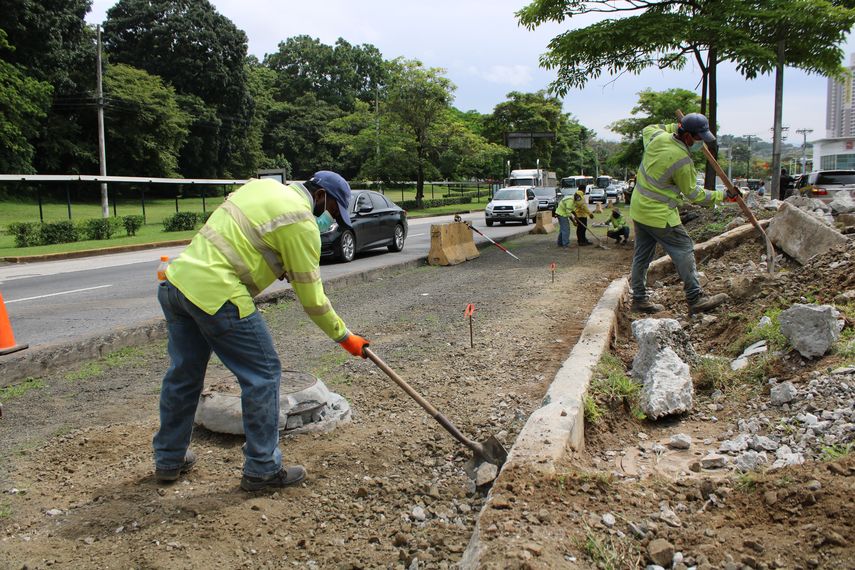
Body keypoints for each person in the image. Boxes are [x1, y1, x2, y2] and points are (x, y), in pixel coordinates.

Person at [154, 171, 369, 491]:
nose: (330, 220)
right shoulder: (301, 222)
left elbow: (241, 239)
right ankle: (262, 469)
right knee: (264, 373)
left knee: (184, 374)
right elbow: (313, 301)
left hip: (177, 283)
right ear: (320, 195)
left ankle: (169, 458)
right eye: (333, 211)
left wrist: (274, 264)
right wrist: (345, 337)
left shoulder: (262, 188)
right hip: (218, 294)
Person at [629, 113, 738, 315]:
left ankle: (639, 298)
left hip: (639, 210)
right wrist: (723, 196)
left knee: (642, 256)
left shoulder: (657, 137)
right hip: (659, 215)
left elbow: (648, 128)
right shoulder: (682, 161)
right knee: (684, 248)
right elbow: (694, 194)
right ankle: (695, 298)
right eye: (698, 138)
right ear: (687, 136)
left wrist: (673, 126)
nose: (701, 143)